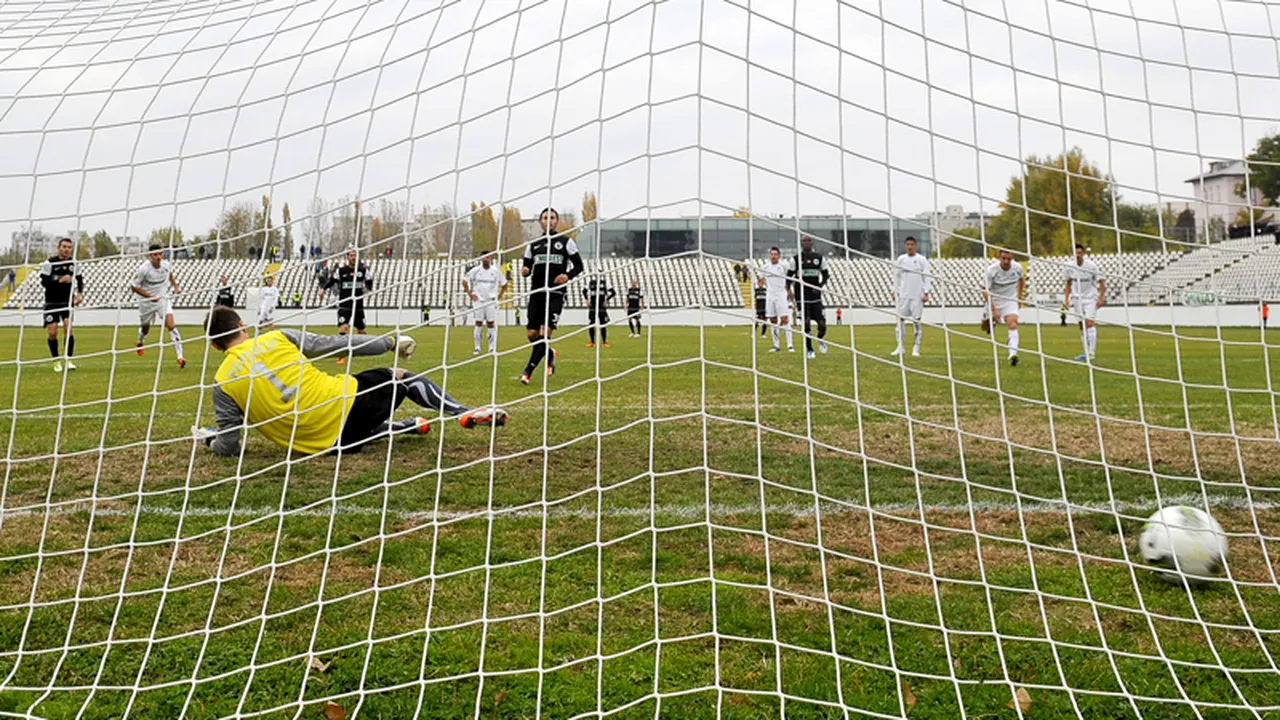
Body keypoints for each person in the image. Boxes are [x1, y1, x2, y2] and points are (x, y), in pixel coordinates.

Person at [194, 307, 507, 458]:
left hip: (325, 446)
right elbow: (338, 344)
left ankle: (408, 426)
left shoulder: (221, 383)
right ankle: (463, 411)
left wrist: (209, 439)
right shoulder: (277, 337)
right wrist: (390, 341)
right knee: (399, 376)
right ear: (241, 325)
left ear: (215, 346)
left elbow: (229, 446)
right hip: (347, 406)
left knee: (349, 430)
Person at [520, 207, 584, 384]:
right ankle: (549, 353)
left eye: (553, 217)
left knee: (544, 333)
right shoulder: (533, 245)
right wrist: (525, 271)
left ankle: (527, 372)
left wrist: (567, 276)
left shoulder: (565, 242)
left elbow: (579, 266)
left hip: (555, 294)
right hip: (536, 293)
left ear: (557, 221)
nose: (549, 220)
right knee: (532, 334)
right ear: (540, 221)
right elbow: (526, 267)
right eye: (545, 217)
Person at [130, 244, 187, 368]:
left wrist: (176, 287)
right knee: (146, 328)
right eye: (155, 255)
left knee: (171, 325)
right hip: (146, 302)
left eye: (160, 254)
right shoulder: (144, 270)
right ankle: (141, 340)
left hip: (162, 299)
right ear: (150, 256)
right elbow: (133, 287)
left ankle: (180, 357)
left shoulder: (166, 265)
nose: (158, 257)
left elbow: (170, 275)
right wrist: (150, 297)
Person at [318, 247, 373, 365]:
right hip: (345, 303)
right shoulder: (341, 271)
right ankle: (341, 355)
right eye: (351, 255)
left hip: (358, 304)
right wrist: (323, 289)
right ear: (347, 257)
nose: (353, 258)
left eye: (355, 255)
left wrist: (369, 289)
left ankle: (362, 352)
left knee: (361, 331)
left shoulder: (363, 270)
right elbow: (332, 281)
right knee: (344, 327)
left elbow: (369, 280)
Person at [40, 237, 84, 372]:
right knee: (52, 332)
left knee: (68, 328)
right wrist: (59, 280)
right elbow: (44, 282)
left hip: (67, 301)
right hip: (51, 302)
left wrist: (79, 293)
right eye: (64, 246)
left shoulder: (74, 264)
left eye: (69, 247)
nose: (66, 249)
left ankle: (69, 359)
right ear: (59, 248)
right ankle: (56, 361)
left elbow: (79, 279)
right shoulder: (49, 263)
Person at [787, 235, 830, 359]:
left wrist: (820, 286)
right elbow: (789, 276)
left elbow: (826, 274)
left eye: (809, 241)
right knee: (806, 323)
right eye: (804, 241)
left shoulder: (819, 258)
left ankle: (820, 339)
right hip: (801, 295)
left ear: (812, 243)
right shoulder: (795, 259)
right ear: (801, 244)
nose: (806, 243)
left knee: (822, 324)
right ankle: (810, 350)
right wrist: (789, 290)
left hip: (815, 296)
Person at [983, 249, 1026, 366]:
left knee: (1013, 323)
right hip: (994, 300)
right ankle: (991, 322)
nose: (1007, 261)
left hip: (1010, 300)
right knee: (985, 326)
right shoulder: (991, 270)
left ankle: (1013, 354)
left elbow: (1022, 280)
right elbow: (985, 290)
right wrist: (994, 309)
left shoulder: (1017, 268)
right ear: (999, 258)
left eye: (1009, 259)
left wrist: (1019, 297)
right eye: (1004, 258)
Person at [891, 236, 931, 358]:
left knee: (917, 321)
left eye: (912, 244)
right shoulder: (901, 259)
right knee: (900, 321)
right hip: (903, 295)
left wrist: (926, 292)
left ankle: (916, 348)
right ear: (905, 246)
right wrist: (894, 291)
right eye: (908, 244)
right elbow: (896, 276)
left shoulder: (922, 260)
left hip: (917, 296)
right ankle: (900, 347)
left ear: (915, 246)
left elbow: (927, 276)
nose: (910, 247)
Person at [1064, 243, 1104, 361]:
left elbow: (1101, 281)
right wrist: (1067, 299)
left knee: (1090, 323)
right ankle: (1086, 352)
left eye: (1080, 253)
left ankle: (1092, 353)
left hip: (1090, 298)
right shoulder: (1069, 267)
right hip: (1077, 298)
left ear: (1083, 254)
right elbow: (1068, 283)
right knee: (1081, 325)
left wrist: (1101, 298)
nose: (1078, 255)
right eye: (1075, 253)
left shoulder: (1091, 266)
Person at [463, 254, 508, 354]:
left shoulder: (495, 271)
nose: (485, 259)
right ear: (480, 259)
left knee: (490, 324)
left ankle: (491, 347)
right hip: (479, 301)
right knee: (478, 323)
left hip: (490, 301)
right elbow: (464, 281)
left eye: (487, 257)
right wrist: (470, 294)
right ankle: (477, 347)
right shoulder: (475, 270)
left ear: (490, 259)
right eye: (483, 257)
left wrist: (498, 297)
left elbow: (505, 285)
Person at [758, 247, 793, 352]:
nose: (773, 256)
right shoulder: (765, 267)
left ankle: (790, 345)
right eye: (771, 254)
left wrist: (789, 290)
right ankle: (776, 345)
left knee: (785, 319)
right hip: (770, 295)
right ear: (769, 256)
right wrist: (761, 283)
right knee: (773, 320)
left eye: (775, 254)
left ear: (779, 256)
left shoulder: (784, 266)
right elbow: (761, 280)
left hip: (781, 294)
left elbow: (790, 277)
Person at [583, 272, 616, 347]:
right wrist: (587, 300)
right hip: (593, 306)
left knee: (603, 323)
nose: (597, 275)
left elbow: (613, 292)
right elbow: (584, 291)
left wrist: (607, 300)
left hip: (601, 306)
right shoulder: (591, 282)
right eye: (596, 274)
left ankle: (604, 342)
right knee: (591, 323)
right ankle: (592, 342)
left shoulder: (605, 283)